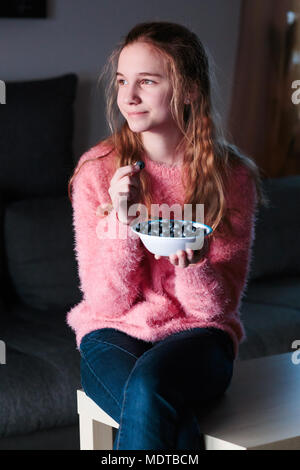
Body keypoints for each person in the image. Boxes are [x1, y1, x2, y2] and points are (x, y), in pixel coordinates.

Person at [66, 21, 269, 450]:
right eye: (123, 81)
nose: (129, 96)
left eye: (147, 81)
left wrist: (196, 265)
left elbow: (217, 308)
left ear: (190, 90)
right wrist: (122, 218)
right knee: (154, 407)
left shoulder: (230, 176)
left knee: (148, 390)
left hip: (200, 335)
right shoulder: (97, 171)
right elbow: (106, 303)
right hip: (112, 331)